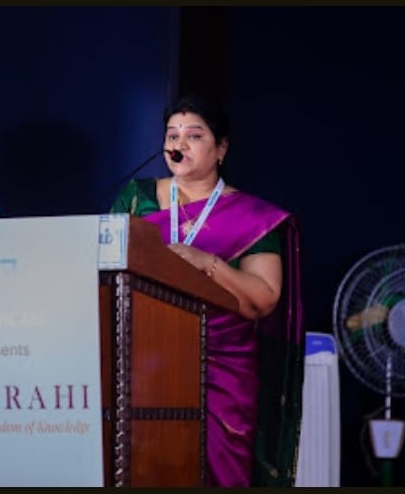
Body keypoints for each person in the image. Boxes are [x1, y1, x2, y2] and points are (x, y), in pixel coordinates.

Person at [110, 95, 305, 487]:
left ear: (222, 148)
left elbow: (264, 298)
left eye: (194, 136)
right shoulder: (136, 198)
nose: (178, 145)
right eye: (172, 135)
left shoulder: (253, 217)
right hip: (144, 364)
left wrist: (208, 264)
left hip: (221, 368)